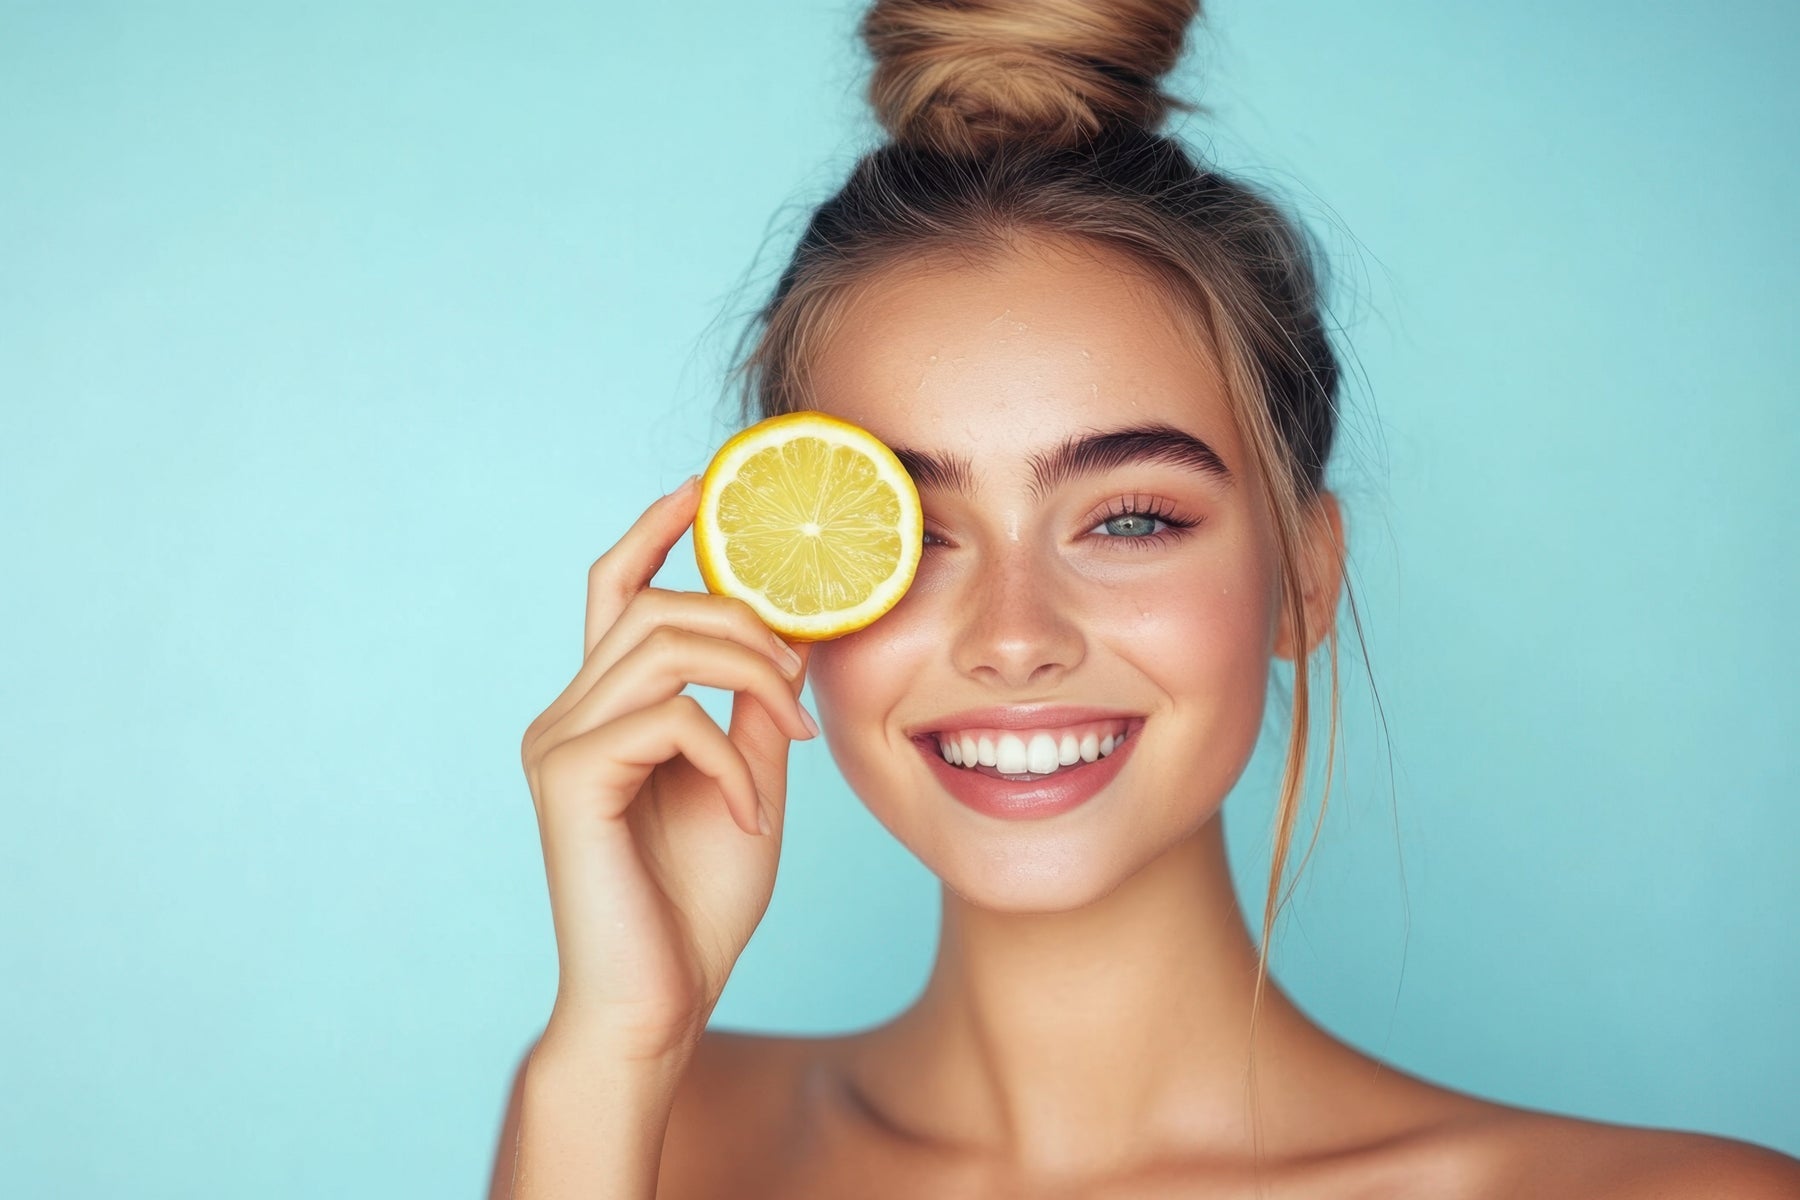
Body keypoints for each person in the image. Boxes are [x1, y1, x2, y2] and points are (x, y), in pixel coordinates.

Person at [490, 2, 1800, 1196]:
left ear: (1301, 576)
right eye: (924, 534)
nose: (1014, 638)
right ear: (794, 597)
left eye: (1129, 520)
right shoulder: (643, 1125)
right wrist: (613, 1050)